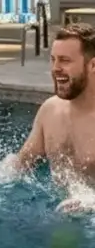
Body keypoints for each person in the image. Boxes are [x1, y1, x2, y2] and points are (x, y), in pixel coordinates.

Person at [8, 22, 95, 210]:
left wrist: (91, 204)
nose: (55, 68)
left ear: (92, 65)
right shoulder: (51, 110)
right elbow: (19, 166)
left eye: (65, 60)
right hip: (56, 214)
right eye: (53, 59)